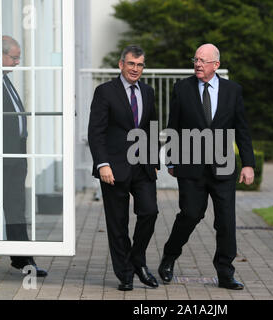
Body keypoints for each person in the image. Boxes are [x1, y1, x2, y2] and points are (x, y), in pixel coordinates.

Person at [158, 44, 255, 290]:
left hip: (222, 167)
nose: (198, 64)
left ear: (216, 65)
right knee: (191, 214)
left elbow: (242, 129)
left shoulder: (233, 91)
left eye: (203, 60)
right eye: (196, 60)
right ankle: (169, 256)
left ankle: (225, 273)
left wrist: (248, 164)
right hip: (191, 166)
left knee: (226, 221)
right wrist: (171, 159)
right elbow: (174, 125)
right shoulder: (182, 88)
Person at [88, 45, 160, 291]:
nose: (136, 69)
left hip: (143, 168)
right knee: (118, 223)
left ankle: (137, 260)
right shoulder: (105, 92)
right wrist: (102, 164)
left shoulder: (148, 92)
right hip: (113, 168)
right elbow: (95, 132)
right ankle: (125, 274)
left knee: (149, 212)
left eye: (140, 65)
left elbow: (151, 128)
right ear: (121, 65)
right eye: (131, 64)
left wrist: (154, 162)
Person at [0, 36, 47, 277]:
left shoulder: (3, 78)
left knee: (15, 207)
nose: (18, 62)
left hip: (14, 155)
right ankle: (22, 259)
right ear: (0, 54)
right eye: (15, 57)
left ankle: (23, 260)